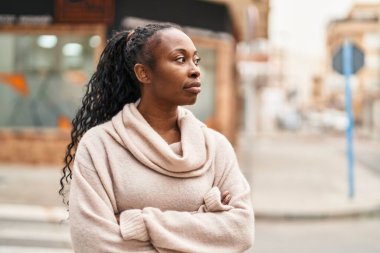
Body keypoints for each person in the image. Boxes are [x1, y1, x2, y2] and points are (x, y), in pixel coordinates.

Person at [59, 22, 254, 253]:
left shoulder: (215, 147)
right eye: (180, 59)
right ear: (143, 73)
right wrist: (201, 220)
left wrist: (139, 223)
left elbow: (240, 232)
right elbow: (93, 243)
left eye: (196, 60)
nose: (195, 70)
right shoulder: (99, 146)